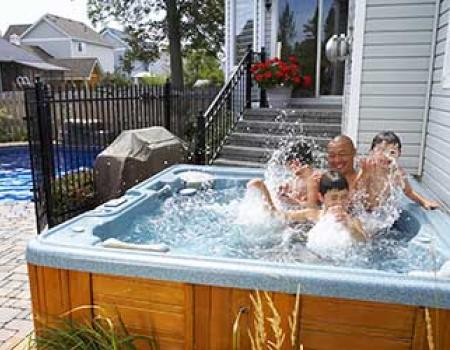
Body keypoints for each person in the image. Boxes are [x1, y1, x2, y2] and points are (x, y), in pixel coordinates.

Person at [249, 171, 367, 242]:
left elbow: (363, 241)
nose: (340, 202)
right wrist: (264, 192)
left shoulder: (353, 220)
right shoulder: (312, 214)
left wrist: (348, 226)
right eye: (334, 198)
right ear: (321, 198)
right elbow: (277, 216)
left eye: (344, 197)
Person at [358, 131, 440, 210]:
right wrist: (364, 173)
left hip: (380, 212)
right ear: (372, 152)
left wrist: (424, 202)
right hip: (362, 211)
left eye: (392, 152)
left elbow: (408, 192)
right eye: (381, 150)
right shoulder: (369, 169)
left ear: (399, 154)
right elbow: (356, 189)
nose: (386, 156)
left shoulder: (397, 172)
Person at [249, 141, 314, 207]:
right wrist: (283, 189)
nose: (289, 169)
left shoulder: (313, 181)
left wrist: (294, 201)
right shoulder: (298, 178)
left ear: (295, 162)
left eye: (289, 165)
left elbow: (315, 208)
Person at [306, 135, 360, 207]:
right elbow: (310, 212)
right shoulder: (320, 181)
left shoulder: (364, 181)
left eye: (342, 154)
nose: (337, 160)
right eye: (332, 156)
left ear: (354, 152)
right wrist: (311, 189)